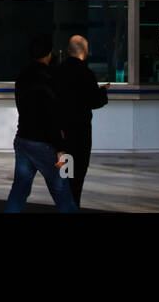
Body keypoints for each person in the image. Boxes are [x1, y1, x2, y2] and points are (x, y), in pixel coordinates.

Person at [5, 34, 78, 213]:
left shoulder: (22, 76)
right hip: (46, 144)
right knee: (62, 190)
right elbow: (52, 115)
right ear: (48, 53)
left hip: (23, 138)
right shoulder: (50, 78)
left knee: (20, 188)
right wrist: (61, 148)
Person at [54, 34, 108, 207]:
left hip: (62, 131)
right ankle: (72, 205)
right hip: (81, 131)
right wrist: (102, 93)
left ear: (68, 50)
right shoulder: (86, 73)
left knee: (66, 174)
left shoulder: (58, 71)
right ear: (86, 51)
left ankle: (65, 205)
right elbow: (94, 101)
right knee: (78, 174)